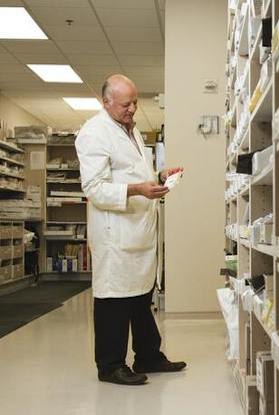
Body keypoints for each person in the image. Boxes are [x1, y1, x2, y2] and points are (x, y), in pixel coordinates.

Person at [76, 74, 186, 386]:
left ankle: (148, 355)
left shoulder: (129, 129)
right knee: (114, 298)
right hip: (116, 233)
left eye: (135, 102)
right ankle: (110, 365)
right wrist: (139, 189)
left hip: (137, 230)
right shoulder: (94, 133)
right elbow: (94, 188)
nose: (133, 109)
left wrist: (160, 175)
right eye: (126, 104)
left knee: (140, 296)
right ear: (106, 102)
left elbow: (134, 171)